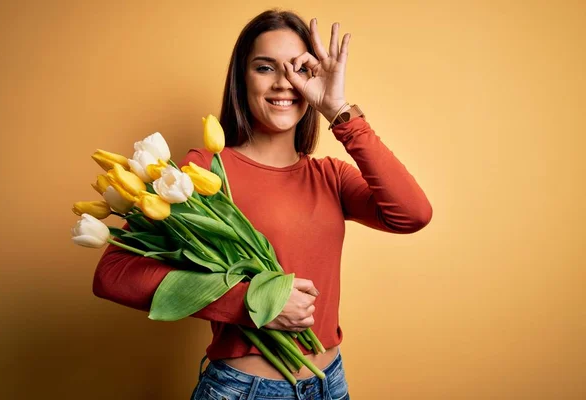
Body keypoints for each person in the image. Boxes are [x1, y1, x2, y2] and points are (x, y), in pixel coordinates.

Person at [93, 9, 432, 400]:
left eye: (298, 69)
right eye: (265, 67)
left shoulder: (330, 177)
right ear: (242, 78)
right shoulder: (202, 172)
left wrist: (339, 112)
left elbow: (413, 214)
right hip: (246, 390)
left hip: (330, 384)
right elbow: (112, 275)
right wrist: (255, 303)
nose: (283, 83)